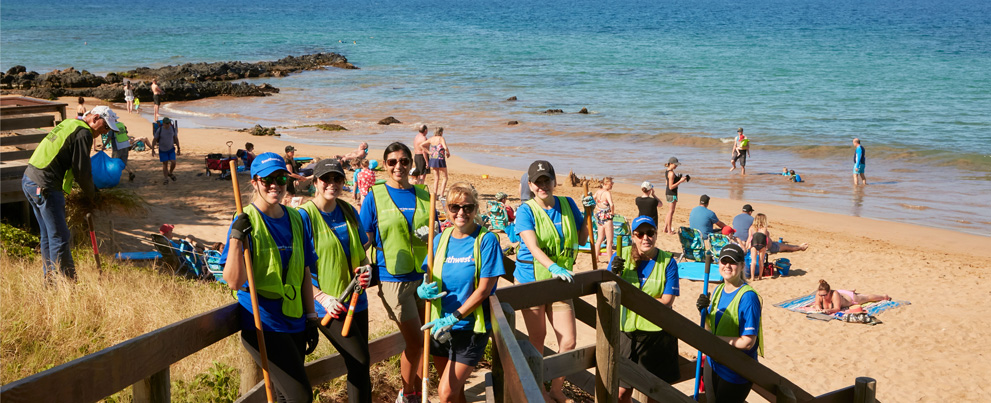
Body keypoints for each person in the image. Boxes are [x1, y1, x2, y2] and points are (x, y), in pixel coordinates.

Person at [221, 152, 320, 403]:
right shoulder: (246, 220)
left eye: (280, 178)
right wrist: (235, 238)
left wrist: (310, 317)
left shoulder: (297, 218)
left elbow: (305, 272)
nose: (274, 185)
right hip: (264, 324)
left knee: (284, 397)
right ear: (255, 182)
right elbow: (233, 281)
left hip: (295, 319)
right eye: (267, 180)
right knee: (301, 397)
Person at [359, 142, 433, 403]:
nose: (398, 166)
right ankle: (408, 392)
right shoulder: (374, 196)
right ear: (385, 165)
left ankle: (418, 389)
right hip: (393, 279)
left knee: (427, 337)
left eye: (403, 161)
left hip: (425, 278)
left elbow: (436, 236)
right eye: (392, 162)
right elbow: (365, 238)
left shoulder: (425, 195)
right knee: (415, 342)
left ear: (412, 162)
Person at [418, 182, 505, 403]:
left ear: (476, 209)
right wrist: (423, 289)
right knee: (455, 394)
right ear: (446, 209)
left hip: (469, 328)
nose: (461, 213)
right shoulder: (439, 239)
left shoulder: (487, 241)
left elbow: (484, 289)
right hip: (438, 327)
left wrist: (455, 316)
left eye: (468, 207)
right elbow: (428, 275)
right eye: (455, 207)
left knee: (445, 393)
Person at [297, 158, 374, 403]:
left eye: (337, 178)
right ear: (315, 182)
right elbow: (297, 268)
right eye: (326, 178)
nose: (332, 183)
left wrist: (368, 270)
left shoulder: (348, 210)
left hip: (356, 299)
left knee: (360, 366)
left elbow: (362, 253)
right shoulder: (304, 216)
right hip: (327, 304)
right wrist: (321, 297)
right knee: (360, 358)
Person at [513, 160, 588, 403]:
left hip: (560, 282)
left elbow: (583, 238)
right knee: (537, 337)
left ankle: (556, 389)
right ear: (531, 186)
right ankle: (539, 389)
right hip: (532, 281)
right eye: (538, 182)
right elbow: (532, 247)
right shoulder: (525, 210)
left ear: (554, 181)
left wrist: (588, 214)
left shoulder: (567, 203)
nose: (543, 185)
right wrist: (552, 266)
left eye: (547, 180)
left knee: (568, 340)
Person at [22, 106, 119, 283]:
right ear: (95, 118)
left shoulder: (70, 123)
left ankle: (50, 280)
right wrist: (94, 196)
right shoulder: (84, 133)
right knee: (60, 236)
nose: (105, 132)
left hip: (29, 179)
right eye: (106, 127)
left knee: (48, 235)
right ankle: (68, 283)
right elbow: (82, 171)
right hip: (46, 185)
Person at [608, 216, 680, 403]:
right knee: (622, 393)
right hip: (627, 332)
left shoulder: (668, 261)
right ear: (633, 236)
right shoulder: (621, 256)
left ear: (656, 235)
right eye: (640, 234)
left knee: (653, 393)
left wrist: (631, 298)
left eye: (650, 233)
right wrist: (611, 274)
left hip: (657, 335)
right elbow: (606, 289)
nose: (645, 238)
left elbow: (667, 300)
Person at [696, 243, 763, 403]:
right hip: (714, 363)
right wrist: (703, 313)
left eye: (732, 262)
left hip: (735, 372)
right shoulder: (719, 290)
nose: (727, 265)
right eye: (723, 261)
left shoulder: (748, 297)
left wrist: (714, 340)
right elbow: (709, 330)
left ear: (741, 266)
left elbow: (747, 342)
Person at [813, 279, 890, 314]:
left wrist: (828, 310)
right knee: (841, 294)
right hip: (841, 294)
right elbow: (817, 304)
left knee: (866, 298)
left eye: (825, 295)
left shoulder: (834, 294)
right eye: (821, 295)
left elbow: (837, 308)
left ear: (829, 291)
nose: (822, 297)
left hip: (850, 298)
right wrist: (818, 307)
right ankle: (849, 290)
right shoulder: (819, 293)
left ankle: (883, 296)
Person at [419, 127, 451, 199]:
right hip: (440, 159)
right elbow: (445, 147)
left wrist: (429, 152)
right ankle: (442, 195)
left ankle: (435, 195)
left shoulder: (431, 138)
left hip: (433, 159)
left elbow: (421, 145)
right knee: (445, 177)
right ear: (440, 132)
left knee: (436, 178)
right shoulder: (441, 138)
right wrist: (448, 153)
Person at [663, 157, 689, 235]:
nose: (676, 166)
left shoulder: (667, 172)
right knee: (671, 211)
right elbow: (671, 187)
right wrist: (680, 181)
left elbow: (666, 184)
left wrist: (677, 180)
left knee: (669, 211)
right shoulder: (671, 173)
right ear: (671, 163)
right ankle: (669, 230)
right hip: (671, 193)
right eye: (675, 164)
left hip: (668, 193)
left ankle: (665, 228)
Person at [592, 177, 615, 262]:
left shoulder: (598, 191)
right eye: (611, 183)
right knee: (609, 241)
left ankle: (596, 257)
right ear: (605, 184)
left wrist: (597, 207)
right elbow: (611, 204)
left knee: (599, 239)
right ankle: (610, 259)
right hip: (607, 218)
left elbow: (593, 198)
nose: (612, 185)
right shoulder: (607, 193)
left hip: (600, 216)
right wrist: (612, 213)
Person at [151, 117, 179, 185]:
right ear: (163, 123)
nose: (168, 124)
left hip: (171, 149)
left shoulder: (172, 129)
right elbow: (154, 140)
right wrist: (152, 150)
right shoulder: (160, 130)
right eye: (166, 123)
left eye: (169, 123)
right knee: (165, 164)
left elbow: (176, 138)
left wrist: (179, 148)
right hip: (162, 150)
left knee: (173, 162)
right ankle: (166, 179)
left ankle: (170, 173)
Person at [746, 213, 769, 281]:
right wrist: (766, 245)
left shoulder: (751, 228)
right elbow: (765, 238)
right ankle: (760, 276)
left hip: (754, 244)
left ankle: (752, 277)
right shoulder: (764, 229)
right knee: (761, 261)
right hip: (762, 244)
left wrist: (747, 244)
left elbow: (749, 238)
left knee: (753, 261)